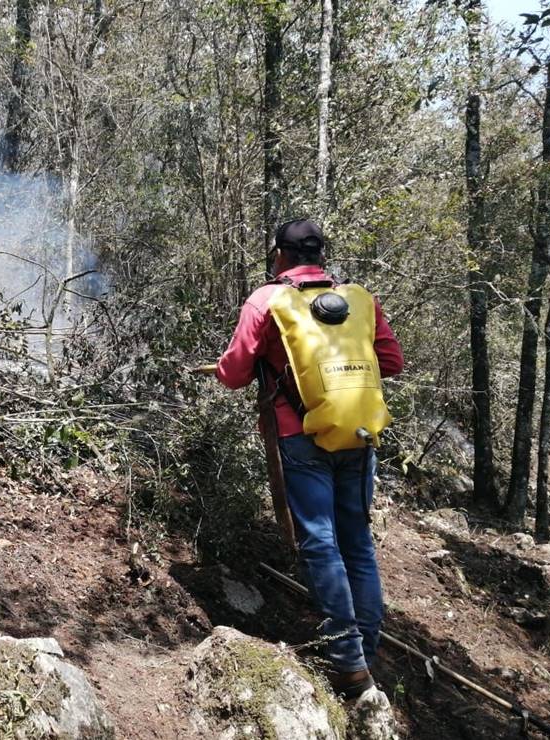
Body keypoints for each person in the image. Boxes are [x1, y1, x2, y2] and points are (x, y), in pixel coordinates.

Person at [215, 218, 404, 698]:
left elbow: (234, 373)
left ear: (279, 255)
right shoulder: (359, 298)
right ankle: (366, 650)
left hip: (300, 437)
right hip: (360, 433)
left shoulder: (267, 300)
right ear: (321, 255)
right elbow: (393, 363)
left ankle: (346, 660)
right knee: (357, 544)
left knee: (320, 543)